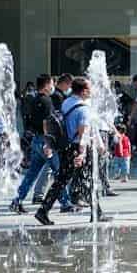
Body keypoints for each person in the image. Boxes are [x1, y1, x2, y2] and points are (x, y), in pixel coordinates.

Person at [36, 76, 104, 226]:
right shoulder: (84, 109)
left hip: (66, 147)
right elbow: (83, 133)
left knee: (62, 180)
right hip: (77, 148)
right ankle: (95, 212)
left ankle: (43, 210)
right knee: (87, 179)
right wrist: (82, 153)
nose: (91, 91)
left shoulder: (67, 102)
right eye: (90, 88)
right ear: (84, 91)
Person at [10, 75, 60, 213]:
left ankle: (17, 200)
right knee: (59, 173)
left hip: (36, 140)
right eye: (51, 84)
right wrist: (48, 143)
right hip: (45, 141)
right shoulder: (47, 101)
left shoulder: (33, 100)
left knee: (31, 174)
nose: (52, 86)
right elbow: (47, 122)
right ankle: (66, 203)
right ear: (46, 85)